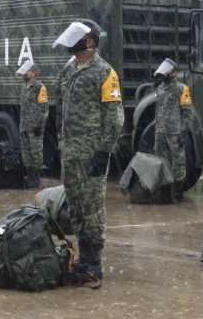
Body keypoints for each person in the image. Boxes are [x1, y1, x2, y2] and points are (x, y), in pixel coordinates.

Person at [54, 20, 124, 282]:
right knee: (75, 206)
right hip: (70, 153)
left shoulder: (104, 72)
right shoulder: (68, 70)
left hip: (92, 152)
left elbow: (115, 117)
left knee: (93, 207)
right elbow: (59, 108)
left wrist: (104, 151)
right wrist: (61, 141)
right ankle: (83, 255)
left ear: (90, 41)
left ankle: (94, 259)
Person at [152, 57, 195, 200]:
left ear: (174, 73)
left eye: (169, 70)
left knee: (178, 161)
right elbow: (158, 110)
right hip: (160, 131)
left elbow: (188, 113)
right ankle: (165, 190)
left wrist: (184, 131)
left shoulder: (182, 89)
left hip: (175, 131)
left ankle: (178, 189)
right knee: (161, 160)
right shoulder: (160, 88)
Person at [16, 60, 49, 188]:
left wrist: (39, 125)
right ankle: (29, 175)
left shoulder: (39, 87)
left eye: (28, 71)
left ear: (34, 73)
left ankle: (35, 177)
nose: (25, 73)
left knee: (36, 152)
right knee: (26, 152)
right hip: (24, 125)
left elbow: (45, 108)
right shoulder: (24, 87)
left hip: (35, 127)